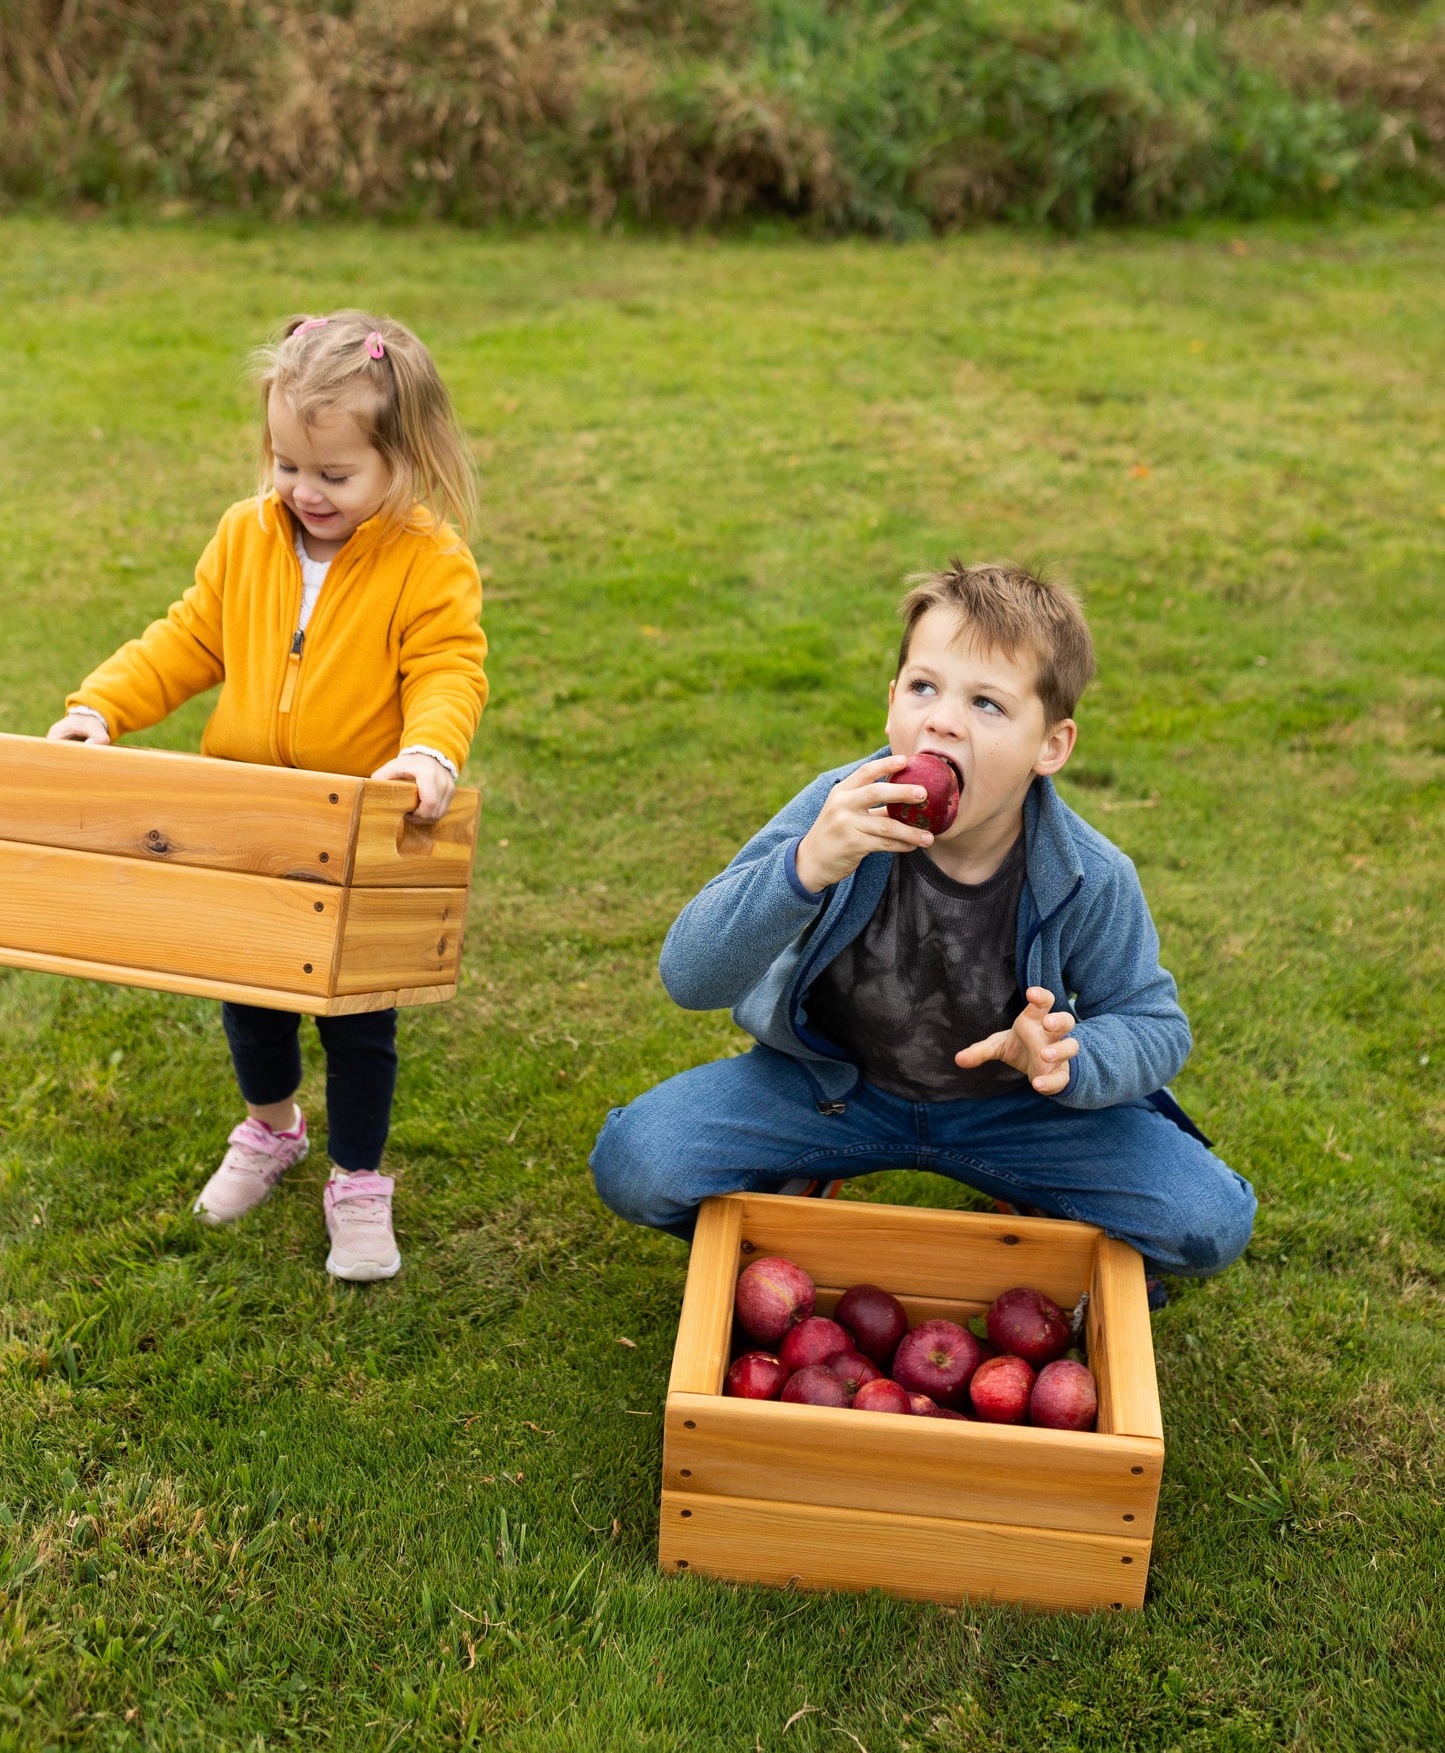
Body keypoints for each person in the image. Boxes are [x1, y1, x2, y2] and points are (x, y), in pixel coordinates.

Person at [591, 560, 1255, 1282]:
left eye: (987, 704)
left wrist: (1067, 1059)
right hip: (837, 1091)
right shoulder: (837, 811)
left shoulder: (1088, 872)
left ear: (1051, 747)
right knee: (638, 1161)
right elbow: (688, 976)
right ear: (889, 704)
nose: (941, 718)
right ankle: (793, 1195)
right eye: (923, 687)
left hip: (1014, 1113)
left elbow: (1155, 1022)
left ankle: (1041, 1214)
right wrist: (805, 867)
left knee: (1207, 1218)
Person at [49, 310, 488, 1283]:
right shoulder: (248, 537)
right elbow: (187, 638)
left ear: (403, 460)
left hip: (362, 829)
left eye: (335, 475)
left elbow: (448, 670)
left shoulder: (428, 562)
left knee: (357, 1018)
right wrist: (101, 707)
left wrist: (426, 757)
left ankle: (360, 1179)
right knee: (248, 997)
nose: (305, 491)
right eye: (289, 464)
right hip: (248, 822)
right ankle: (272, 1127)